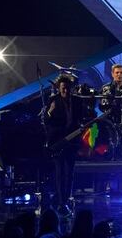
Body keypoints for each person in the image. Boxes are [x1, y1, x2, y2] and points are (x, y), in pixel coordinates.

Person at [45, 75, 83, 214]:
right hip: (58, 141)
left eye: (67, 88)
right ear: (58, 88)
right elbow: (46, 120)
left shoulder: (77, 101)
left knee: (69, 172)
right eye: (63, 89)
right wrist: (50, 111)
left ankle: (65, 199)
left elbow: (81, 117)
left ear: (71, 88)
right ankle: (61, 201)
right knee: (60, 172)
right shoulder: (53, 100)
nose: (65, 91)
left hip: (72, 141)